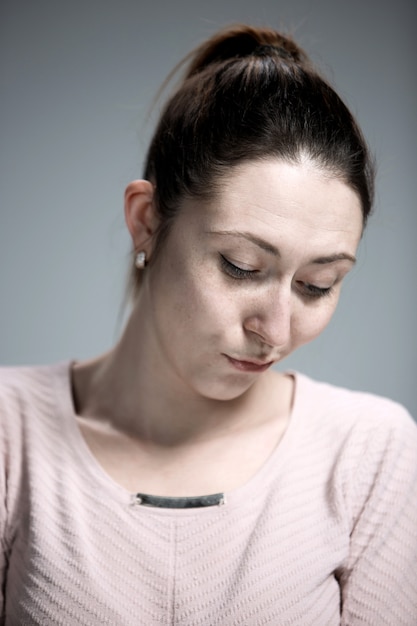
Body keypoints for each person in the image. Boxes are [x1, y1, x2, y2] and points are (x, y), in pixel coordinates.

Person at [1, 23, 416, 626]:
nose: (275, 329)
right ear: (147, 221)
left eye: (317, 285)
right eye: (241, 266)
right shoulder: (11, 436)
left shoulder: (372, 455)